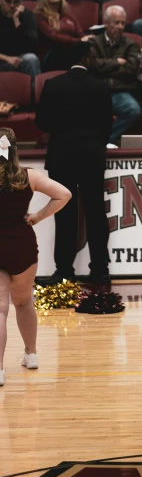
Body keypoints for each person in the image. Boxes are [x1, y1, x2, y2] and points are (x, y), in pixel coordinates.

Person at [34, 42, 113, 285]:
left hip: (62, 156)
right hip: (91, 156)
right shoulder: (101, 87)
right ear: (87, 58)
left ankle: (64, 271)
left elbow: (42, 122)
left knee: (64, 213)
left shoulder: (53, 85)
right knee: (96, 213)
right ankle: (100, 271)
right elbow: (108, 127)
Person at [0, 127, 71, 386]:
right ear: (15, 149)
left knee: (0, 309)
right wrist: (37, 217)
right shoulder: (28, 176)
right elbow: (64, 194)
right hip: (22, 246)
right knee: (23, 302)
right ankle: (31, 354)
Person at [85, 5, 142, 146]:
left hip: (119, 91)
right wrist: (117, 62)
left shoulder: (131, 45)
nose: (120, 26)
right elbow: (91, 65)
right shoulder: (93, 42)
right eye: (116, 22)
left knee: (133, 110)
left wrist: (104, 67)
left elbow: (131, 69)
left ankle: (105, 140)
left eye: (123, 23)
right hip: (97, 90)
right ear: (106, 23)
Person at [35, 0, 87, 70]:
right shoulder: (39, 15)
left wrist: (86, 40)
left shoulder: (68, 16)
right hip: (52, 54)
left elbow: (80, 34)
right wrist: (79, 41)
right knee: (62, 49)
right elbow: (53, 37)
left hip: (72, 51)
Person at [0, 0, 40, 79]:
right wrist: (7, 58)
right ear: (1, 0)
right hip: (1, 58)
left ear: (21, 2)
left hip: (19, 59)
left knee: (31, 58)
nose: (12, 5)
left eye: (16, 2)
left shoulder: (28, 15)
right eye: (8, 1)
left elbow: (32, 47)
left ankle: (35, 92)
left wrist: (16, 19)